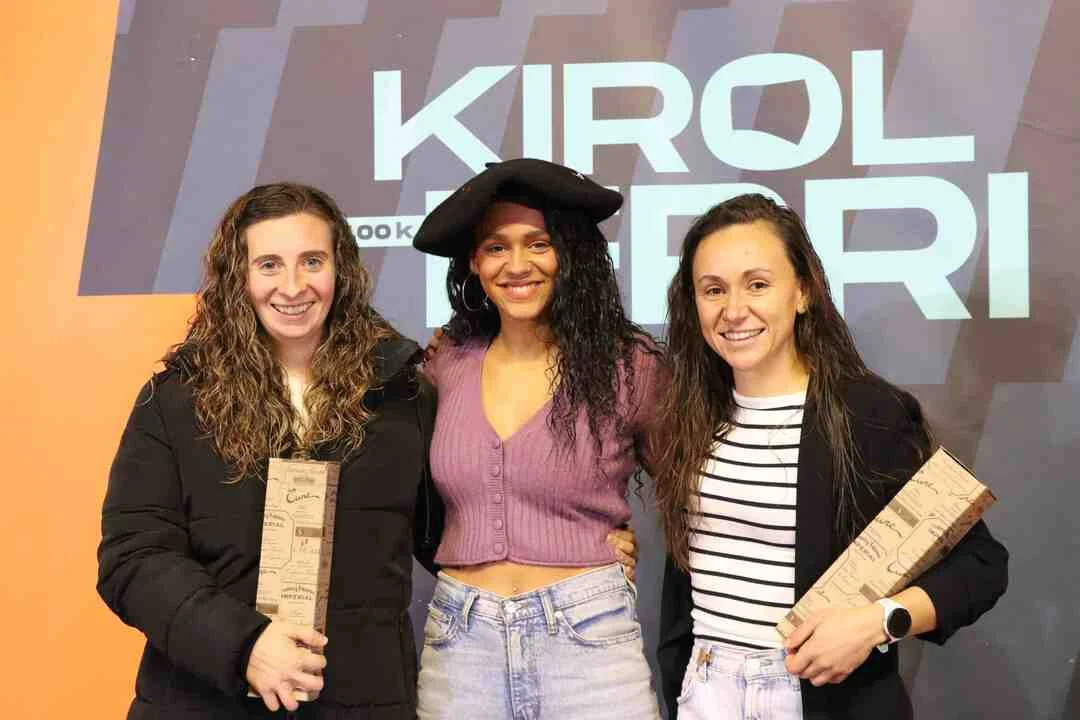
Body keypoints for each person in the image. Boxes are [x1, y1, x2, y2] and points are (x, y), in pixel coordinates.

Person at [653, 194, 1008, 719]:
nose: (734, 310)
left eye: (757, 284)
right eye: (713, 289)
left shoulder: (867, 414)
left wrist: (876, 622)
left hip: (813, 694)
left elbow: (981, 565)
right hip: (706, 691)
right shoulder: (688, 413)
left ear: (801, 292)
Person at [97, 183, 444, 719]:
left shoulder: (403, 396)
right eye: (269, 265)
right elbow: (132, 558)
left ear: (341, 270)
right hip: (203, 702)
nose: (293, 286)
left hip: (360, 703)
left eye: (312, 261)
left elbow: (458, 535)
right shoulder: (176, 399)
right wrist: (244, 646)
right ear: (239, 276)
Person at [411, 158, 664, 719]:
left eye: (538, 244)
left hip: (589, 642)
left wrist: (610, 539)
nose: (517, 265)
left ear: (569, 254)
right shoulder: (446, 362)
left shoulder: (630, 365)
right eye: (496, 247)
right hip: (460, 645)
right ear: (474, 262)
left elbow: (698, 491)